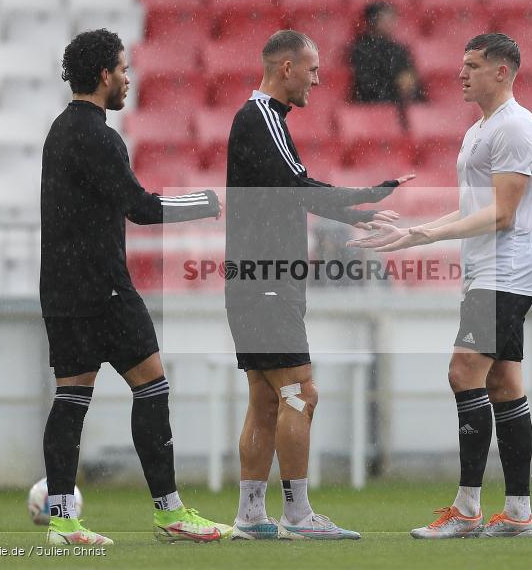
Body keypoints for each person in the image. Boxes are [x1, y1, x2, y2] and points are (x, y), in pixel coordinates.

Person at [349, 33, 532, 538]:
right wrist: (412, 233)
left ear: (502, 71)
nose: (461, 73)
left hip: (504, 270)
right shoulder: (481, 129)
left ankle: (466, 510)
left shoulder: (515, 128)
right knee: (503, 383)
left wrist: (425, 235)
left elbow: (502, 213)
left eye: (473, 65)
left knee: (463, 372)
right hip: (490, 269)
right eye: (463, 64)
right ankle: (518, 513)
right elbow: (473, 207)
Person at [225, 29, 414, 540]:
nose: (318, 79)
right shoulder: (261, 117)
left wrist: (358, 211)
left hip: (254, 279)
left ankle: (250, 515)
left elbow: (293, 192)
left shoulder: (261, 120)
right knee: (300, 393)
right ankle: (298, 515)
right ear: (285, 68)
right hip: (266, 279)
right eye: (311, 69)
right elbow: (299, 188)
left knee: (266, 399)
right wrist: (367, 197)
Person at [40, 29, 226, 546]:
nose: (128, 78)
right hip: (104, 289)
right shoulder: (99, 136)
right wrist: (206, 202)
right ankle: (169, 512)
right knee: (152, 386)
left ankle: (61, 519)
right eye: (123, 69)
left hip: (61, 289)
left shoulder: (60, 130)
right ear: (104, 75)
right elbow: (140, 207)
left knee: (71, 398)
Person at [349, 0, 425, 105]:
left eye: (392, 18)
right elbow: (367, 85)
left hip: (402, 102)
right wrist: (396, 87)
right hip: (374, 103)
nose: (391, 23)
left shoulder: (399, 49)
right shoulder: (360, 49)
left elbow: (410, 79)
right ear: (373, 20)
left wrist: (407, 85)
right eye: (385, 18)